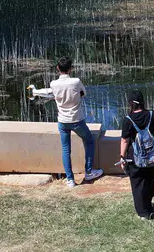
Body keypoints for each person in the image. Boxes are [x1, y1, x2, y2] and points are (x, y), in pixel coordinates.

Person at [31, 57, 103, 187]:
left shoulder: (54, 84)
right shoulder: (76, 81)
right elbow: (83, 93)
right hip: (77, 120)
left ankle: (70, 179)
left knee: (65, 150)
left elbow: (51, 94)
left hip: (63, 122)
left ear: (58, 69)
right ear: (71, 69)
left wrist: (36, 92)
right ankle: (89, 171)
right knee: (89, 141)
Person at [119, 90, 154, 220]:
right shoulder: (151, 114)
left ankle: (143, 212)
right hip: (152, 155)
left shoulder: (128, 119)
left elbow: (125, 140)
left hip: (134, 157)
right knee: (150, 180)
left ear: (130, 103)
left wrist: (122, 157)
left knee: (138, 183)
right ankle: (148, 206)